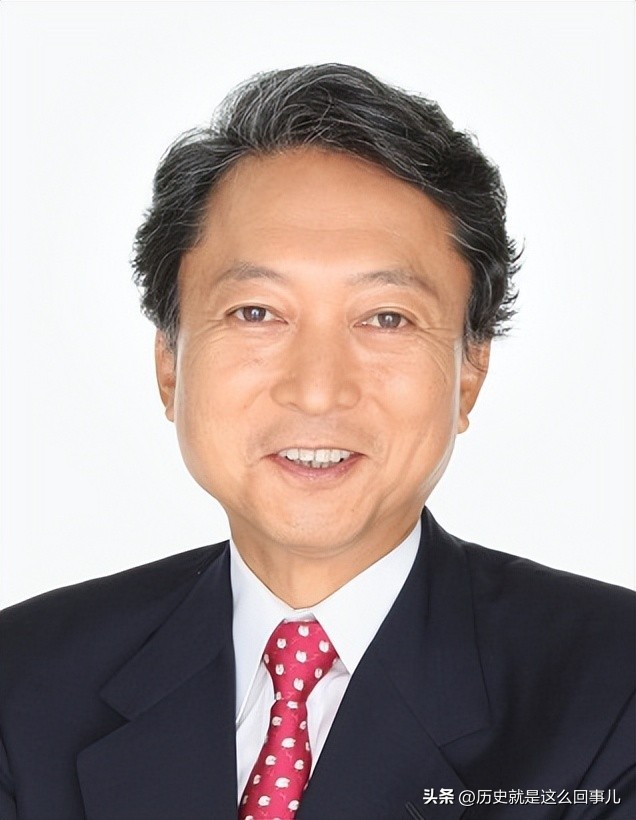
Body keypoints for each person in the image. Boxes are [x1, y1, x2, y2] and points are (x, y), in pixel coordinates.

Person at [0, 64, 633, 820]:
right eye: (256, 313)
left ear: (470, 369)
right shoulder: (22, 681)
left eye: (387, 318)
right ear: (169, 363)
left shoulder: (614, 689)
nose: (318, 390)